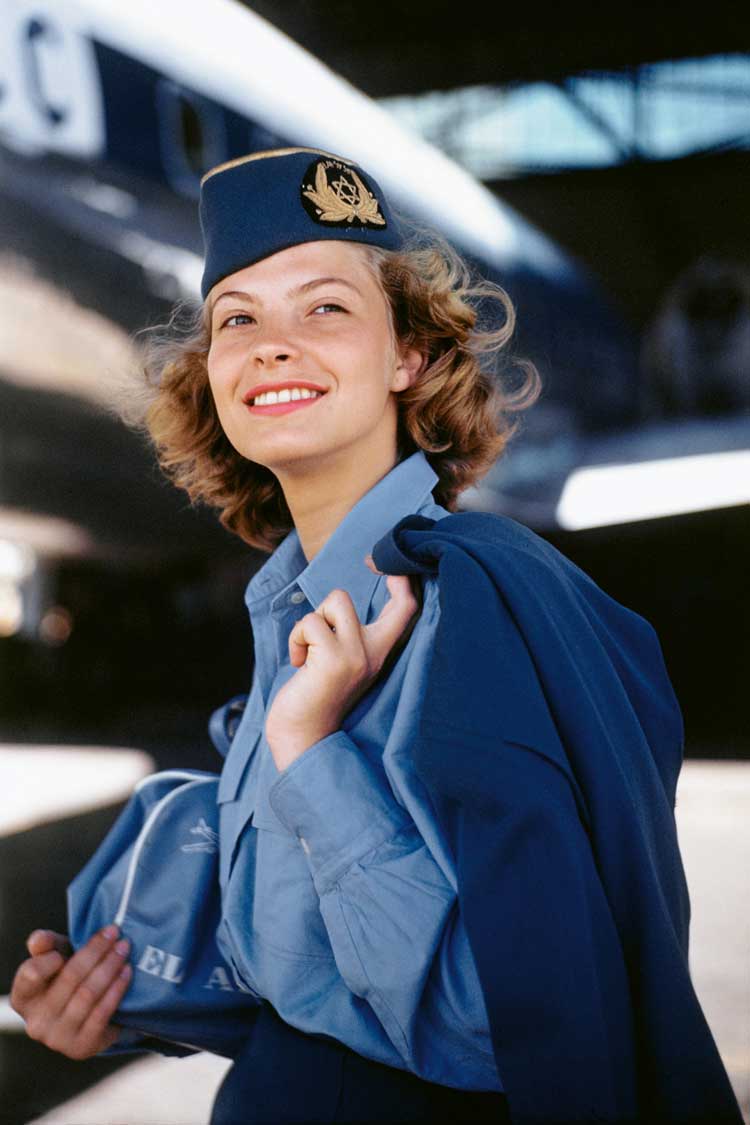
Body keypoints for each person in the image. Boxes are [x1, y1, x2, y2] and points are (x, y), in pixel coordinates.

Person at [10, 148, 742, 1125]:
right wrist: (125, 1007)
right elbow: (322, 988)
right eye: (239, 319)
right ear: (214, 373)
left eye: (324, 307)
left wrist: (312, 758)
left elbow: (517, 1033)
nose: (273, 344)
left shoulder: (483, 596)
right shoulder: (291, 614)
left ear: (410, 355)